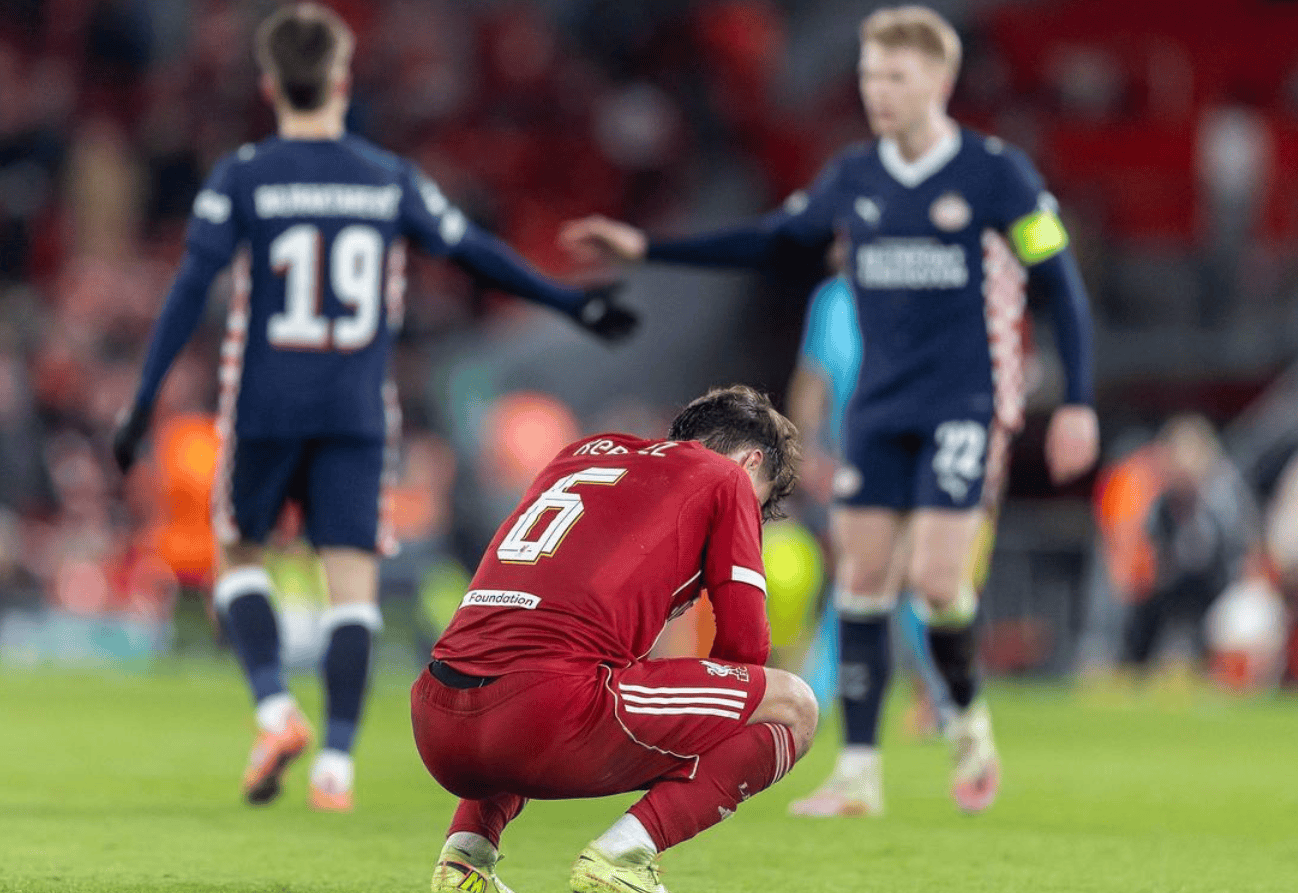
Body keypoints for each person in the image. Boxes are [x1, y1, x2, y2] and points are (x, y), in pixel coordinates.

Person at [560, 4, 1099, 817]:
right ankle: (857, 773)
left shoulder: (997, 176)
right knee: (863, 586)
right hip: (879, 411)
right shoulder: (856, 178)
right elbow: (773, 238)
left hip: (965, 403)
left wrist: (1079, 402)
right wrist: (650, 248)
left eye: (896, 76)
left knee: (938, 581)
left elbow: (1059, 284)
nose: (878, 91)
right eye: (869, 76)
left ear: (939, 81)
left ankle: (968, 723)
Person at [112, 2, 635, 813]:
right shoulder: (386, 177)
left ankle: (276, 709)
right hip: (356, 407)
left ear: (269, 83)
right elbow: (477, 251)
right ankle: (338, 765)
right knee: (350, 585)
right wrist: (572, 305)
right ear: (342, 80)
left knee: (241, 555)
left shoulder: (244, 175)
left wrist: (143, 397)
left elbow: (187, 294)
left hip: (268, 404)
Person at [411, 385, 815, 893]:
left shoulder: (581, 454)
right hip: (542, 713)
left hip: (436, 721)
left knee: (542, 660)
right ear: (751, 461)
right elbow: (745, 654)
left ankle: (464, 858)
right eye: (762, 506)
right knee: (792, 705)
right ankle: (621, 858)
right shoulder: (727, 476)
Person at [788, 274, 953, 736]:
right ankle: (942, 693)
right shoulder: (831, 297)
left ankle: (819, 690)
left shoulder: (916, 286)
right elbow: (812, 379)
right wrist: (807, 448)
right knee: (877, 575)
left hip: (911, 450)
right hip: (853, 457)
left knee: (880, 574)